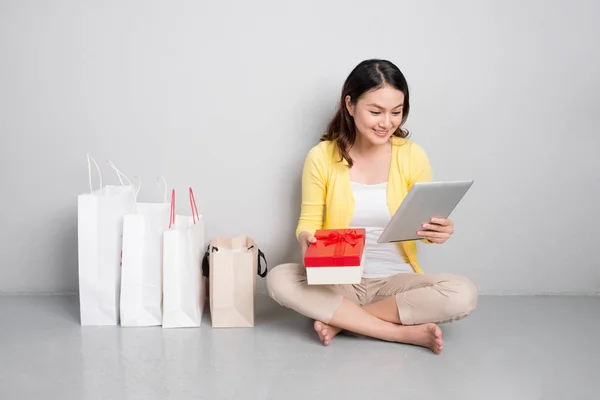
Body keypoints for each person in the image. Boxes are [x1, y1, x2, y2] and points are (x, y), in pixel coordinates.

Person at [266, 59, 478, 354]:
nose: (387, 123)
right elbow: (308, 222)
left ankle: (343, 320)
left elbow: (424, 225)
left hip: (395, 281)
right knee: (279, 279)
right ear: (350, 105)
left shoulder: (413, 156)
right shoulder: (322, 156)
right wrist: (307, 239)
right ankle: (400, 333)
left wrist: (437, 230)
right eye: (375, 111)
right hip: (340, 280)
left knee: (463, 293)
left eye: (396, 112)